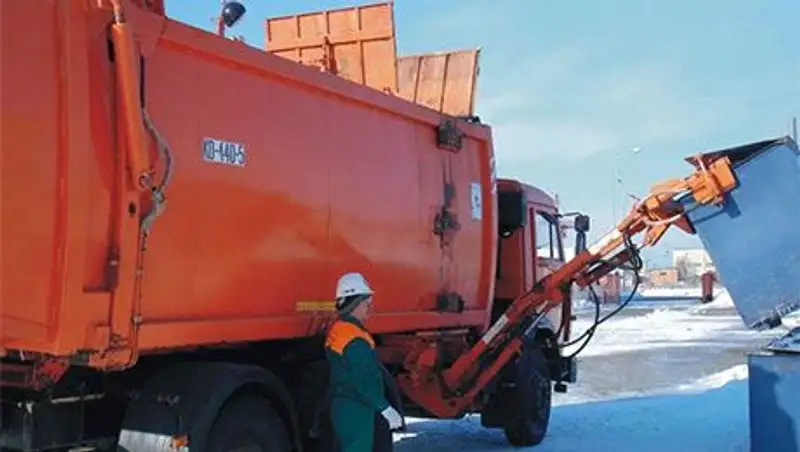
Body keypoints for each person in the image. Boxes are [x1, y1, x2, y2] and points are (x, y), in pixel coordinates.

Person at [325, 272, 403, 452]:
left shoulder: (339, 330)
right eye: (367, 303)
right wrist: (385, 409)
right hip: (357, 411)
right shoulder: (355, 339)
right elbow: (364, 380)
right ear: (355, 303)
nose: (370, 308)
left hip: (343, 406)